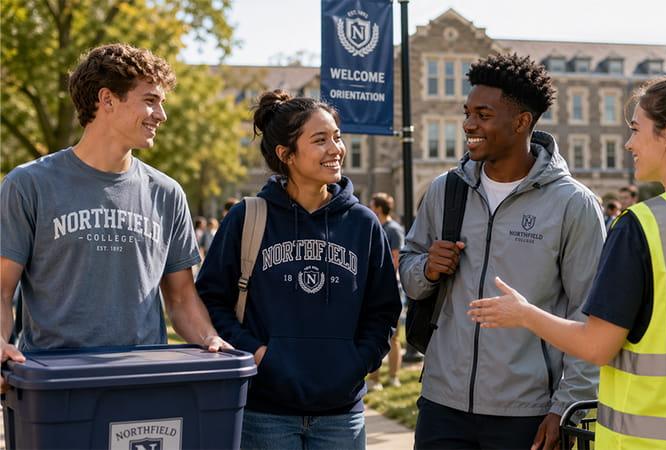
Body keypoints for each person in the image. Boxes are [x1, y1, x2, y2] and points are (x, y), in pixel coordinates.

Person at [468, 75, 666, 450]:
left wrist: (524, 313)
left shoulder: (644, 225)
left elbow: (596, 347)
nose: (629, 143)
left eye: (636, 130)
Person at [399, 53, 603, 450]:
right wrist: (427, 269)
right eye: (467, 113)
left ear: (522, 122)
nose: (468, 125)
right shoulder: (446, 190)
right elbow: (408, 271)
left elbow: (589, 314)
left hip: (527, 413)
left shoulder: (573, 204)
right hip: (442, 406)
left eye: (483, 114)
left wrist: (565, 407)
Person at [0, 43, 230, 387]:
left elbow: (181, 297)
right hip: (56, 384)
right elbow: (3, 290)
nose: (161, 115)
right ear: (107, 100)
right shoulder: (28, 184)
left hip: (142, 381)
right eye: (150, 100)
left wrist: (210, 337)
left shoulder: (167, 193)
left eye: (162, 103)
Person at [196, 90, 401, 450]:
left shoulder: (363, 223)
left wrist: (356, 362)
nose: (335, 148)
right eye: (320, 140)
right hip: (264, 412)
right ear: (286, 154)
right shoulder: (248, 218)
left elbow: (383, 309)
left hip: (341, 414)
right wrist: (259, 355)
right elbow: (213, 300)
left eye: (337, 137)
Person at [366, 192, 404, 391]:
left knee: (394, 336)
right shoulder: (374, 227)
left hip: (391, 289)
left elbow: (396, 260)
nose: (370, 208)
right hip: (372, 290)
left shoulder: (394, 230)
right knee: (372, 333)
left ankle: (394, 377)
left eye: (372, 205)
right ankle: (374, 379)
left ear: (379, 208)